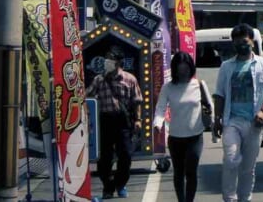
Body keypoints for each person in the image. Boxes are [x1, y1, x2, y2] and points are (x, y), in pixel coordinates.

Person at [213, 23, 263, 202]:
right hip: (231, 120)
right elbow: (219, 94)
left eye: (245, 41)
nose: (242, 44)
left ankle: (244, 198)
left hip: (254, 122)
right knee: (231, 159)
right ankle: (229, 198)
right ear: (233, 44)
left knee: (248, 167)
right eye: (237, 42)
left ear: (251, 42)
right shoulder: (226, 66)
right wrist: (217, 119)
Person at [87, 46, 143, 199]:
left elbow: (137, 101)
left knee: (125, 155)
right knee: (104, 158)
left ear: (118, 62)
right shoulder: (99, 79)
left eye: (110, 58)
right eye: (106, 58)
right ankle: (108, 187)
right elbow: (87, 95)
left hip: (123, 121)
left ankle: (120, 184)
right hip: (105, 120)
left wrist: (138, 120)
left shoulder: (130, 79)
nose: (107, 61)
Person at [153, 51, 209, 202]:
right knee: (179, 172)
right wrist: (157, 123)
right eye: (180, 69)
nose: (184, 72)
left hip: (195, 136)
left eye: (186, 69)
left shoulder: (199, 85)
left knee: (191, 171)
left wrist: (213, 122)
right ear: (175, 70)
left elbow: (209, 106)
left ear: (191, 68)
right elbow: (160, 108)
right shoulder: (168, 88)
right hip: (176, 137)